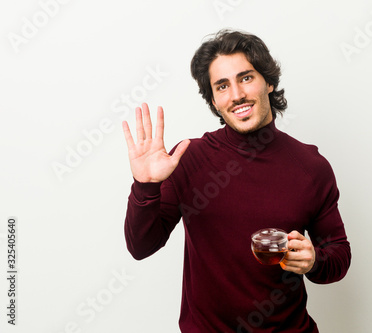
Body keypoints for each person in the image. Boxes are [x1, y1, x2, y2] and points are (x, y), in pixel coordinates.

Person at [122, 29, 351, 332]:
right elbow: (141, 246)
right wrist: (145, 187)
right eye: (222, 86)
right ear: (214, 101)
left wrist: (314, 261)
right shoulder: (188, 159)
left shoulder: (311, 167)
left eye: (246, 78)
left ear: (269, 82)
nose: (236, 95)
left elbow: (338, 255)